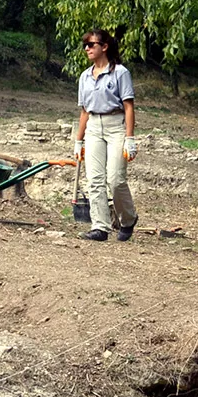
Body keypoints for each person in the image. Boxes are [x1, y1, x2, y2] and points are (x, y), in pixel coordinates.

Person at [73, 28, 139, 242]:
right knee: (94, 179)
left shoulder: (120, 73)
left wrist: (130, 138)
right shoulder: (85, 76)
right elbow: (84, 111)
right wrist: (78, 140)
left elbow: (128, 106)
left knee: (115, 179)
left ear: (104, 46)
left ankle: (128, 219)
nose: (87, 48)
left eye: (91, 44)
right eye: (86, 45)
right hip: (93, 126)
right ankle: (100, 226)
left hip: (115, 124)